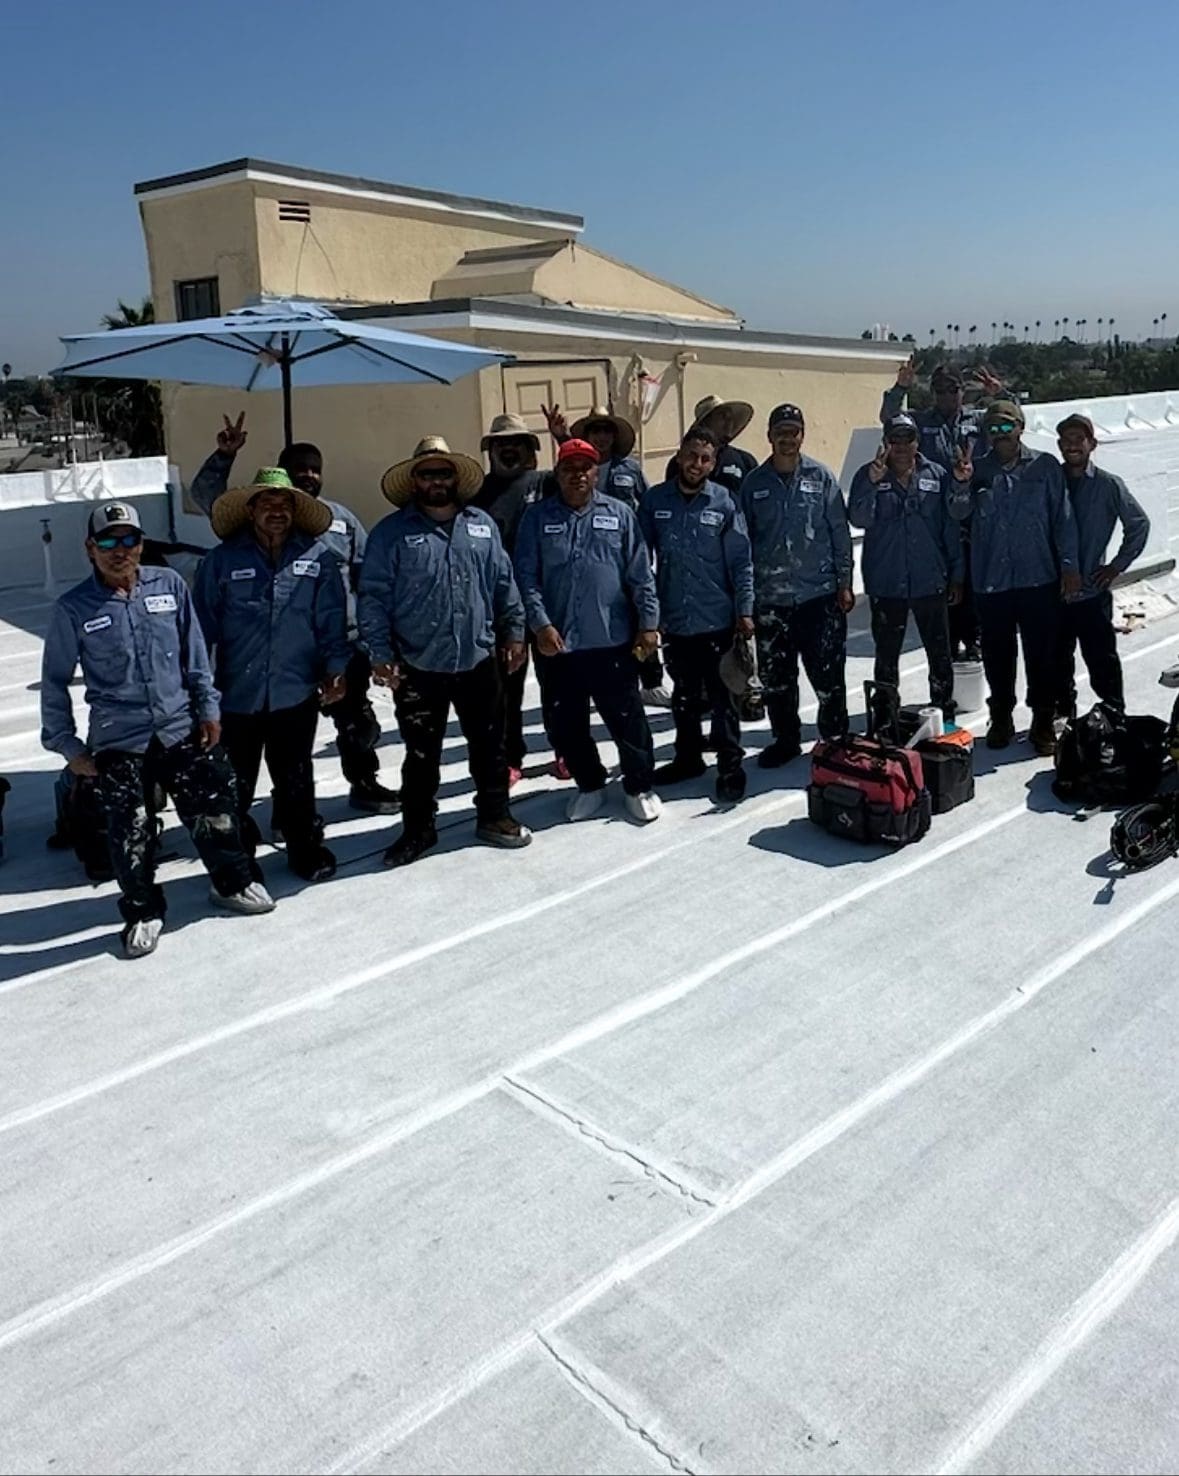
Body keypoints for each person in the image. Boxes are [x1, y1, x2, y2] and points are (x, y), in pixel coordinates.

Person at [41, 503, 274, 958]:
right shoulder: (73, 608)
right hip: (118, 739)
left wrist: (209, 709)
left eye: (129, 539)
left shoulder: (168, 586)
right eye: (108, 541)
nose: (119, 550)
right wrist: (68, 746)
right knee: (129, 830)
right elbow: (53, 681)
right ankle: (143, 910)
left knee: (214, 810)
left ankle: (232, 883)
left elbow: (195, 654)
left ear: (142, 544)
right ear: (91, 548)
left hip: (179, 726)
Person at [189, 414, 399, 816]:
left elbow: (368, 581)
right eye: (298, 468)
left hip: (342, 644)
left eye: (315, 469)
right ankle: (282, 815)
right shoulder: (257, 522)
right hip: (278, 652)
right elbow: (208, 496)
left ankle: (364, 782)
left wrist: (377, 643)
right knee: (282, 741)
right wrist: (224, 454)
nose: (308, 475)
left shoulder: (342, 520)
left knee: (357, 724)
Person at [359, 436, 532, 868]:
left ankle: (494, 815)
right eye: (427, 473)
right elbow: (373, 597)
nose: (436, 480)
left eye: (444, 472)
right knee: (421, 755)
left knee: (490, 745)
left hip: (479, 657)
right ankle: (419, 828)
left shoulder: (481, 525)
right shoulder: (391, 534)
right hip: (419, 664)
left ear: (456, 478)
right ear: (414, 481)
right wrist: (380, 651)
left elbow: (503, 583)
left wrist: (514, 631)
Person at [195, 468, 349, 882]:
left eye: (284, 505)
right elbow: (201, 631)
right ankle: (237, 860)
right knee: (234, 786)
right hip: (234, 697)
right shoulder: (221, 561)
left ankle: (305, 849)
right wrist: (201, 694)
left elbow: (331, 622)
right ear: (251, 511)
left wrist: (336, 669)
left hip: (294, 692)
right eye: (267, 504)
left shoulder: (319, 559)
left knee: (296, 777)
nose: (277, 512)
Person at [515, 438, 663, 823]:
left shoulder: (619, 514)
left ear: (596, 472)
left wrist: (648, 624)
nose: (577, 475)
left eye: (585, 468)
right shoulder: (537, 518)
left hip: (612, 640)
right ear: (558, 473)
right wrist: (540, 625)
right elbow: (526, 577)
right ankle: (591, 784)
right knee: (567, 724)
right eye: (569, 468)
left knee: (628, 720)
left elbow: (640, 575)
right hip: (558, 645)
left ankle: (638, 785)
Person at [948, 401, 1081, 753]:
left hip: (1039, 577)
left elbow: (1063, 520)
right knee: (997, 654)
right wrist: (961, 484)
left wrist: (1069, 567)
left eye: (1007, 427)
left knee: (1042, 654)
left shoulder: (1045, 467)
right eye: (993, 429)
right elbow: (958, 513)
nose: (1000, 435)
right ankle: (1002, 717)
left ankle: (1041, 720)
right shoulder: (975, 470)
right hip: (992, 581)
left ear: (1020, 428)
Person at [639, 426, 754, 802]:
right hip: (677, 618)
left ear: (714, 462)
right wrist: (648, 616)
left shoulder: (724, 503)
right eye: (691, 456)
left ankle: (730, 766)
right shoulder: (655, 502)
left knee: (725, 700)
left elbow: (741, 562)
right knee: (684, 696)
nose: (697, 464)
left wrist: (745, 610)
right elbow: (641, 562)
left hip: (718, 619)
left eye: (705, 458)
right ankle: (688, 757)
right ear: (679, 455)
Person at [739, 404, 854, 767]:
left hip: (818, 595)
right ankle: (785, 739)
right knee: (777, 677)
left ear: (802, 435)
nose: (787, 438)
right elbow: (743, 543)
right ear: (769, 436)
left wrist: (845, 582)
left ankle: (834, 737)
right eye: (781, 432)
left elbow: (839, 533)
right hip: (771, 600)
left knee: (829, 673)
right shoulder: (753, 484)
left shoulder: (821, 477)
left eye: (794, 431)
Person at [541, 402, 671, 708]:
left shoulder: (630, 469)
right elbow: (572, 461)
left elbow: (648, 503)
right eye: (595, 430)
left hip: (627, 553)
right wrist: (560, 436)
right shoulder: (578, 468)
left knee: (641, 616)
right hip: (592, 553)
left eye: (606, 431)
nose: (600, 437)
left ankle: (651, 681)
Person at [881, 360, 1004, 662]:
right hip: (937, 516)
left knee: (975, 578)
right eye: (940, 391)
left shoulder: (977, 421)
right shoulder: (921, 422)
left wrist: (1001, 395)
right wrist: (901, 388)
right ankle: (947, 642)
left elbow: (1011, 422)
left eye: (953, 389)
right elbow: (889, 419)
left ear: (963, 391)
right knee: (946, 582)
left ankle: (973, 638)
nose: (947, 396)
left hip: (974, 513)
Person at [848, 412, 963, 720]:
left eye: (907, 438)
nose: (900, 446)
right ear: (885, 442)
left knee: (939, 652)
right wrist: (871, 484)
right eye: (894, 439)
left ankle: (943, 709)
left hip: (930, 579)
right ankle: (885, 713)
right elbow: (858, 519)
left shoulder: (937, 475)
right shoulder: (867, 475)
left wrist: (956, 575)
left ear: (917, 441)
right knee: (886, 655)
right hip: (887, 582)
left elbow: (950, 528)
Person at [471, 413, 554, 785]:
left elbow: (586, 471)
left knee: (559, 685)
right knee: (505, 692)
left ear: (529, 451)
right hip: (501, 609)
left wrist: (564, 436)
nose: (509, 449)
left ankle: (566, 749)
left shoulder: (547, 483)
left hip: (549, 604)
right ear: (490, 450)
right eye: (501, 443)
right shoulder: (476, 494)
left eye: (517, 443)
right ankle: (509, 757)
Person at [1055, 413, 1149, 716]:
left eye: (1078, 440)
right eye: (1066, 440)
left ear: (1091, 444)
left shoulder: (1108, 484)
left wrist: (1116, 566)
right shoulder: (1049, 482)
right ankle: (1063, 712)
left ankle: (1113, 713)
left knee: (1101, 659)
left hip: (1092, 591)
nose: (1072, 446)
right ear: (1059, 445)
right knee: (1056, 659)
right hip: (1052, 591)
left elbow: (1138, 524)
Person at [664, 395, 759, 497]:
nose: (729, 421)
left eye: (731, 417)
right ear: (706, 421)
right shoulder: (681, 461)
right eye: (723, 416)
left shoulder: (746, 461)